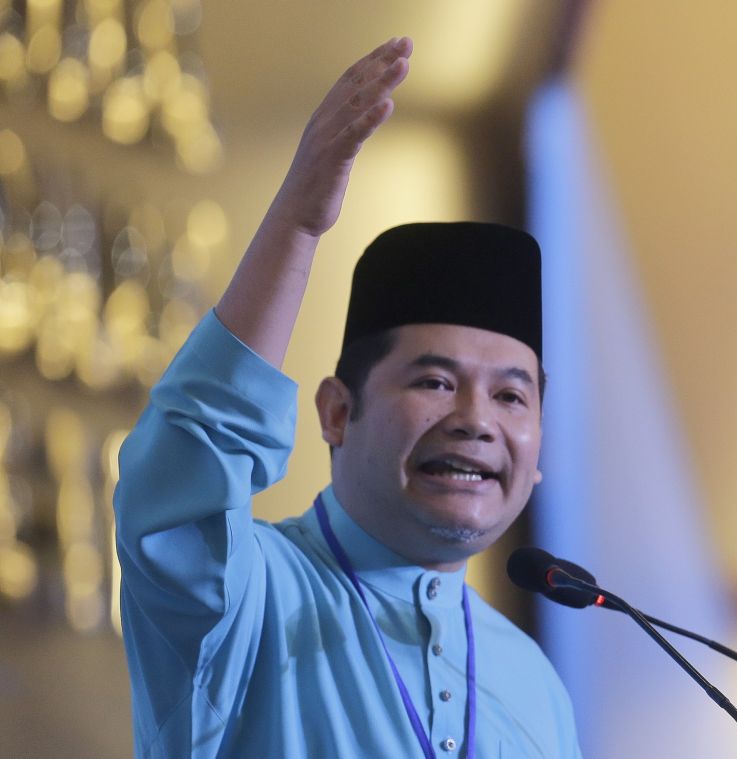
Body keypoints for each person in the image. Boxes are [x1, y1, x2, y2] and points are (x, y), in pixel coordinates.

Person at [113, 37, 582, 758]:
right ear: (337, 411)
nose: (476, 421)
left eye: (511, 397)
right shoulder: (247, 599)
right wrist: (297, 225)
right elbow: (187, 461)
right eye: (434, 381)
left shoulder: (536, 684)